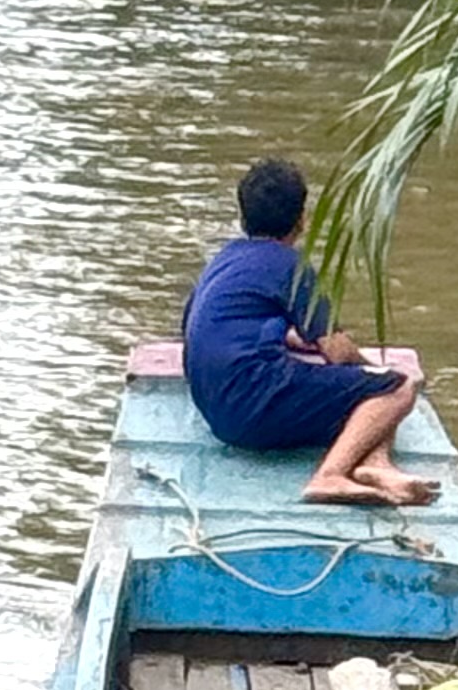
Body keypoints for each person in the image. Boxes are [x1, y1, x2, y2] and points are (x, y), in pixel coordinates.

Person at [183, 156, 433, 509]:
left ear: (243, 217)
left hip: (217, 412)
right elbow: (339, 353)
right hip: (253, 403)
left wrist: (285, 337)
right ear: (301, 219)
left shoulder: (223, 260)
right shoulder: (290, 265)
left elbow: (209, 323)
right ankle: (330, 475)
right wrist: (373, 373)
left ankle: (376, 466)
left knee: (358, 400)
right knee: (395, 388)